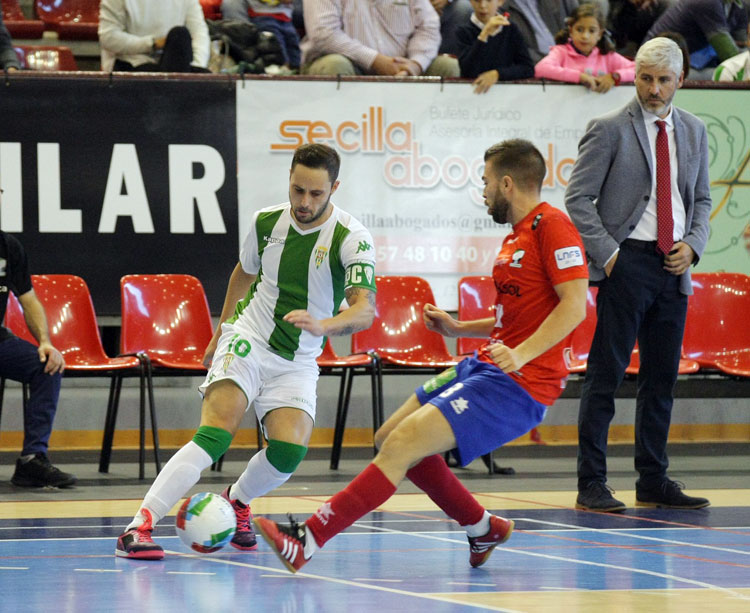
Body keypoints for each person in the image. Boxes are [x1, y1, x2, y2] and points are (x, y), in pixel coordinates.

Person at [253, 139, 590, 574]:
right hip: (485, 366)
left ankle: (309, 540)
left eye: (486, 182)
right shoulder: (517, 237)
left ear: (507, 183)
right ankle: (481, 526)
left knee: (403, 445)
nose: (484, 191)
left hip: (522, 383)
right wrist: (458, 329)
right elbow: (518, 317)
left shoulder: (553, 227)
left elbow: (575, 305)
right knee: (388, 437)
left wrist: (522, 355)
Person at [114, 143, 377, 560]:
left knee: (289, 451)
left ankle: (236, 502)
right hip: (248, 338)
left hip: (298, 359)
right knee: (216, 434)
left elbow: (365, 310)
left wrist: (324, 325)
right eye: (297, 190)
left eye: (315, 194)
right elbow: (244, 272)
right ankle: (139, 526)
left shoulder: (351, 238)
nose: (304, 202)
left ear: (334, 188)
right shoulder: (266, 221)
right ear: (289, 180)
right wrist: (221, 331)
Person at [565, 37, 713, 513]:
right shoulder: (608, 128)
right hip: (625, 262)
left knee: (661, 379)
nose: (652, 89)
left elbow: (702, 201)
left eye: (662, 80)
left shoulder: (693, 130)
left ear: (680, 81)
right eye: (644, 79)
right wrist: (608, 256)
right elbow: (577, 199)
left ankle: (653, 477)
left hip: (674, 265)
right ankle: (592, 481)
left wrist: (693, 245)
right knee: (605, 376)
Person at [0, 187, 76, 488]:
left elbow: (28, 299)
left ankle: (32, 460)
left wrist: (45, 341)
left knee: (45, 364)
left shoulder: (8, 246)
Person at [300, 0, 460, 77]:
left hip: (402, 69)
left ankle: (442, 138)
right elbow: (323, 34)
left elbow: (428, 27)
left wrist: (415, 64)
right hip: (351, 66)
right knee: (335, 64)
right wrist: (375, 60)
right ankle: (337, 135)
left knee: (447, 66)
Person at [535, 2, 635, 92]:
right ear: (571, 31)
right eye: (579, 29)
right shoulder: (560, 52)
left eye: (591, 31)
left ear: (599, 34)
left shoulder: (607, 55)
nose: (585, 36)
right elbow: (540, 69)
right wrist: (580, 77)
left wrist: (615, 77)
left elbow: (639, 70)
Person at [98, 0, 211, 72]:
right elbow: (108, 37)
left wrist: (197, 66)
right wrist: (152, 44)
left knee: (180, 35)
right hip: (133, 64)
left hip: (177, 64)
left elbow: (199, 33)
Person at [644, 0, 748, 77]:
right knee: (724, 75)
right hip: (658, 64)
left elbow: (743, 45)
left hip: (697, 62)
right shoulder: (707, 3)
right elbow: (729, 54)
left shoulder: (739, 6)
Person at [455, 0, 534, 94]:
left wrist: (497, 74)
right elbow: (468, 71)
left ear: (500, 2)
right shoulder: (462, 31)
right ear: (471, 1)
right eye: (477, 1)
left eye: (489, 1)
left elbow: (527, 68)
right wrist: (483, 36)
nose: (483, 6)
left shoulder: (511, 29)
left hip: (506, 95)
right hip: (472, 93)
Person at [218, 0, 301, 70]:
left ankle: (296, 75)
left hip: (286, 18)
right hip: (262, 16)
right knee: (278, 55)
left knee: (295, 55)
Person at [504, 0, 579, 63]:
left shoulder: (563, 2)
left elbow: (584, 26)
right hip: (535, 74)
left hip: (574, 66)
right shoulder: (499, 7)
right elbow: (514, 50)